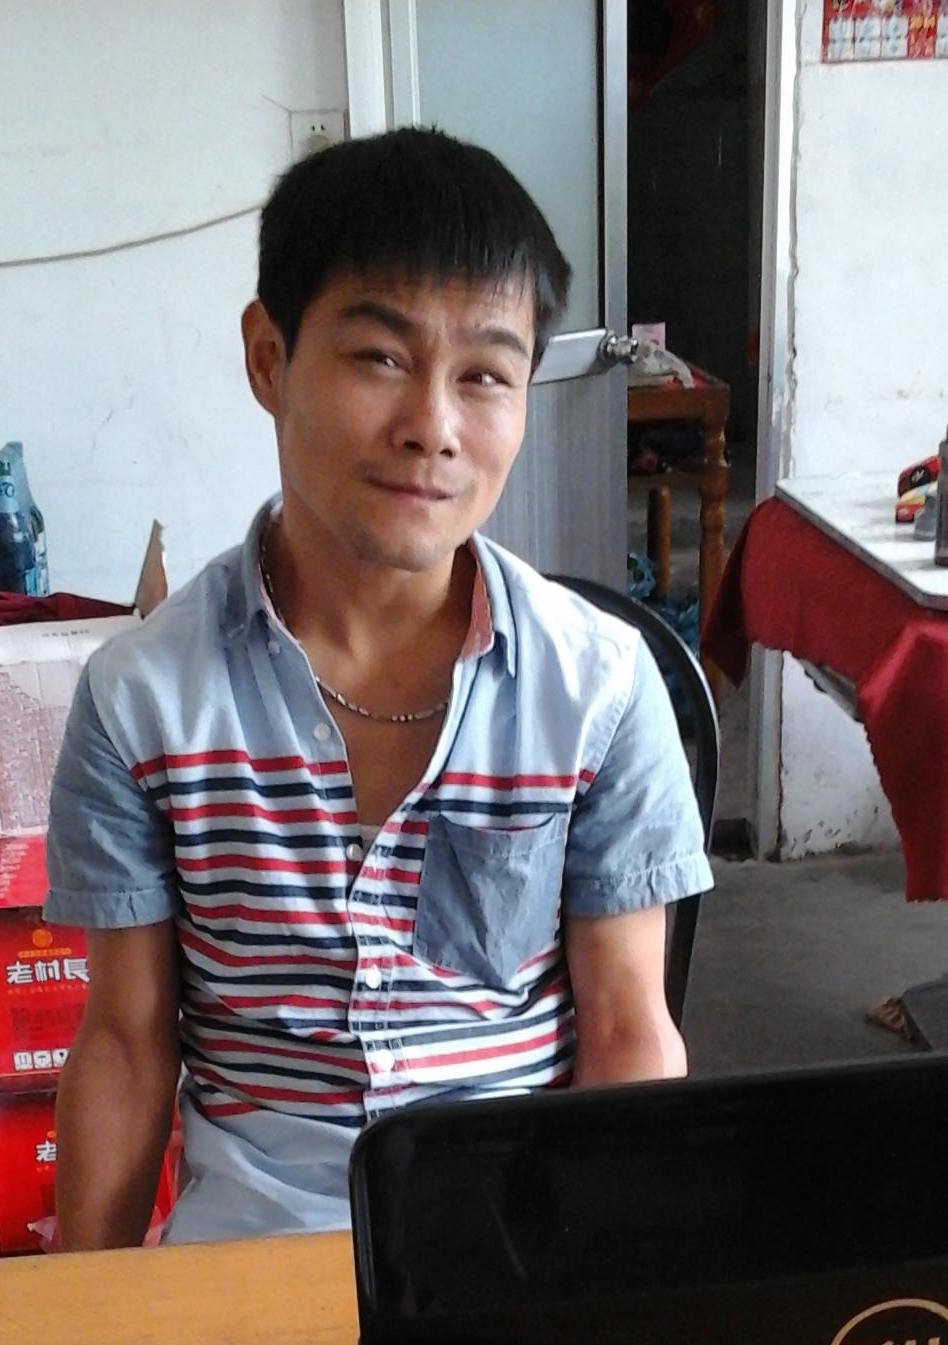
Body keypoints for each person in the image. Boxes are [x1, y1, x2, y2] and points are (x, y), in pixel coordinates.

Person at [45, 127, 712, 1250]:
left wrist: (609, 1300)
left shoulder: (598, 691)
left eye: (485, 375)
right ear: (269, 358)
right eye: (380, 358)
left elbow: (626, 1030)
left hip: (511, 1245)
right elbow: (123, 1043)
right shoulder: (140, 702)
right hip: (246, 1251)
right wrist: (83, 1319)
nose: (432, 430)